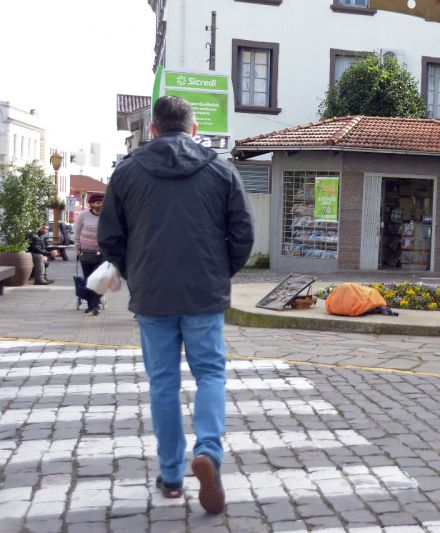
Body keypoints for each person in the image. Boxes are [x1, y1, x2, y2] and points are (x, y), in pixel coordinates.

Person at [98, 96, 254, 514]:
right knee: (210, 375)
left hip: (153, 294)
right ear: (194, 129)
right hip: (204, 291)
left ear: (152, 130)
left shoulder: (127, 171)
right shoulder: (221, 169)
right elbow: (243, 234)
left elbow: (110, 237)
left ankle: (170, 477)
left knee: (163, 383)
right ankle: (208, 453)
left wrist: (138, 271)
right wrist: (221, 271)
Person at [74, 192, 105, 315]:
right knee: (88, 279)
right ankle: (91, 304)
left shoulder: (107, 216)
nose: (100, 205)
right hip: (85, 252)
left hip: (101, 253)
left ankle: (95, 305)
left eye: (102, 203)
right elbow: (77, 232)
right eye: (98, 203)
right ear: (91, 204)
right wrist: (78, 248)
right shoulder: (83, 215)